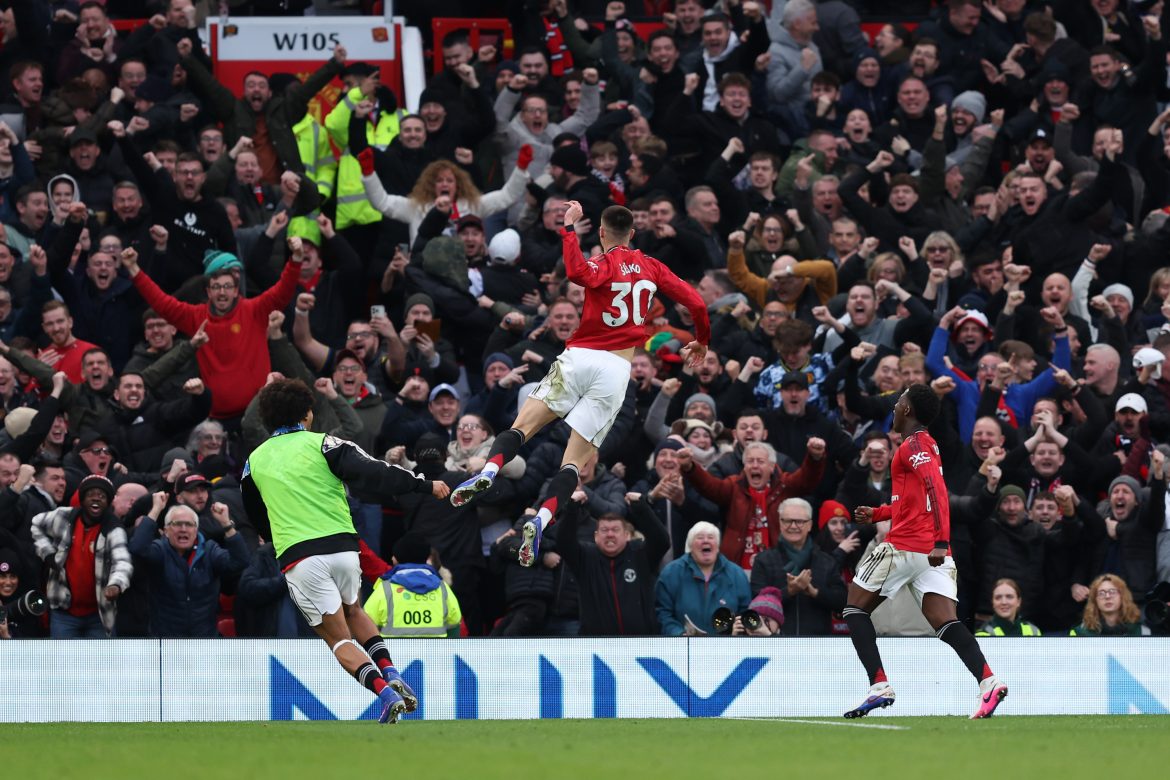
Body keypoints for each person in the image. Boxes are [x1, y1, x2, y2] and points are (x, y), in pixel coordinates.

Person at [447, 202, 710, 569]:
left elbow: (575, 271)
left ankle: (488, 471)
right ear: (633, 234)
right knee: (573, 463)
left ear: (601, 233)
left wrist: (569, 229)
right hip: (616, 369)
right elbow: (697, 302)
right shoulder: (652, 267)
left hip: (581, 357)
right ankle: (541, 520)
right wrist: (702, 340)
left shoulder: (601, 263)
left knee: (522, 428)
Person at [240, 378, 450, 724]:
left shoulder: (254, 462)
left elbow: (256, 515)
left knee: (338, 640)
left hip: (300, 556)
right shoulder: (325, 444)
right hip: (344, 549)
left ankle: (385, 693)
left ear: (266, 419)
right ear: (307, 414)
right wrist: (423, 485)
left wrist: (276, 534)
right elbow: (375, 471)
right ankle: (391, 672)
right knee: (354, 609)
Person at [844, 384, 1009, 719]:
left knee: (854, 608)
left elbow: (938, 490)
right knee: (946, 622)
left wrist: (941, 540)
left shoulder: (914, 445)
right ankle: (989, 682)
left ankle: (878, 685)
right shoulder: (926, 444)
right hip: (931, 553)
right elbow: (912, 501)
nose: (893, 407)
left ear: (907, 410)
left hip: (908, 546)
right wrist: (878, 514)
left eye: (898, 402)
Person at [363, 532, 462, 638]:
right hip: (435, 649)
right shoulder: (442, 588)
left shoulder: (385, 589)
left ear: (396, 559)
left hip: (393, 649)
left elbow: (364, 624)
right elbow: (455, 623)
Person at [1069, 574, 1150, 636]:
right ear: (1095, 600)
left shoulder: (1142, 632)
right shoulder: (1079, 632)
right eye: (1101, 593)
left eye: (1112, 591)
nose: (1107, 596)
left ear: (1122, 597)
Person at [976, 578, 1042, 637]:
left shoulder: (1033, 631)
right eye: (998, 597)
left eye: (1009, 597)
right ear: (993, 602)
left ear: (1018, 601)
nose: (1004, 602)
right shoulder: (983, 634)